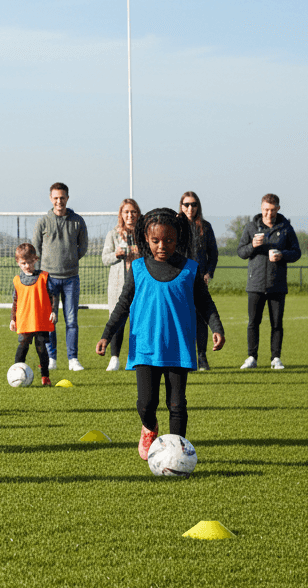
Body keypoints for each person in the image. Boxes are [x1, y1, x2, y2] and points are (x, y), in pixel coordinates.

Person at [96, 208, 225, 460]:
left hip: (178, 348)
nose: (162, 246)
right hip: (144, 347)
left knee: (177, 405)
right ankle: (149, 427)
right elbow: (123, 304)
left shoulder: (190, 269)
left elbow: (205, 303)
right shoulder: (139, 268)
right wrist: (107, 334)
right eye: (155, 241)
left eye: (169, 240)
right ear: (145, 239)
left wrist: (216, 328)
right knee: (146, 404)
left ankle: (178, 455)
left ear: (179, 239)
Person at [237, 194, 302, 370]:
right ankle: (252, 357)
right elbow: (241, 252)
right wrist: (252, 245)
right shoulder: (251, 227)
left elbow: (296, 252)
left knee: (277, 323)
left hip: (277, 284)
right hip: (255, 284)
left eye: (272, 210)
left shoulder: (286, 228)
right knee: (253, 323)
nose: (269, 213)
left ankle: (276, 358)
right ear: (261, 208)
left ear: (278, 209)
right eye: (266, 209)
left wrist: (282, 255)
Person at [32, 182, 89, 371]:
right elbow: (35, 249)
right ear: (51, 199)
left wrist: (70, 259)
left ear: (67, 198)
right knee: (51, 320)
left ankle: (73, 359)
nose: (59, 201)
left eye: (62, 197)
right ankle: (52, 359)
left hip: (71, 278)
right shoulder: (43, 222)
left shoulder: (77, 221)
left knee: (72, 320)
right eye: (56, 198)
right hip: (48, 279)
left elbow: (83, 247)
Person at [99, 199, 142, 372]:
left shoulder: (144, 233)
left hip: (139, 284)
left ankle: (135, 358)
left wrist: (138, 251)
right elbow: (105, 258)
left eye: (133, 212)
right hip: (118, 285)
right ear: (121, 215)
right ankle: (114, 358)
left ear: (138, 214)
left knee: (138, 322)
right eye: (126, 212)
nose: (130, 215)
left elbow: (150, 254)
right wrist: (117, 254)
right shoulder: (113, 234)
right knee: (117, 320)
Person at [178, 191, 219, 370]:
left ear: (198, 206)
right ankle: (185, 357)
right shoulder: (175, 225)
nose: (190, 208)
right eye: (186, 204)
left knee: (200, 319)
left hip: (199, 279)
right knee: (181, 318)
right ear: (181, 206)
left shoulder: (205, 226)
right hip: (179, 279)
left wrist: (209, 272)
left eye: (193, 204)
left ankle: (202, 357)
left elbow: (213, 253)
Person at [8, 242, 55, 387]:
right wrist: (12, 319)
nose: (27, 266)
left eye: (29, 262)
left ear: (35, 259)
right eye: (23, 263)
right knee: (22, 347)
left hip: (40, 321)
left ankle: (45, 376)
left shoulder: (44, 277)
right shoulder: (17, 280)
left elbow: (53, 296)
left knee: (41, 349)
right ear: (18, 262)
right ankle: (16, 373)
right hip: (24, 321)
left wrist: (53, 311)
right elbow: (15, 302)